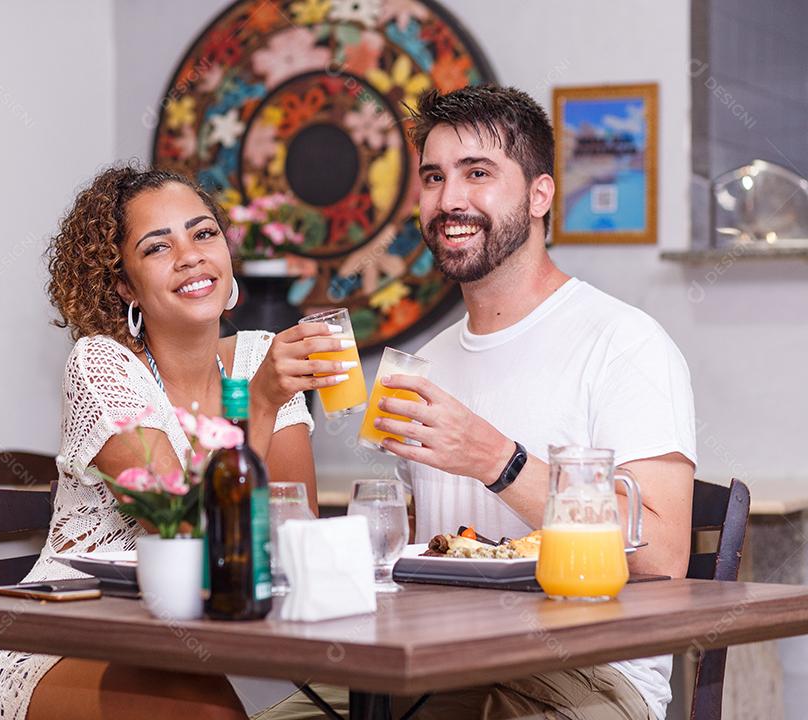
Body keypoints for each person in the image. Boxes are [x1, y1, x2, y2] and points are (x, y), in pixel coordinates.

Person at [257, 86, 695, 720]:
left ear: (540, 195)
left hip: (580, 675)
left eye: (478, 174)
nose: (449, 200)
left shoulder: (624, 343)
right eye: (434, 178)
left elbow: (660, 555)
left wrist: (497, 460)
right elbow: (417, 551)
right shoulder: (421, 365)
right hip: (431, 665)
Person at [0, 164, 353, 720]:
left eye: (203, 234)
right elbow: (182, 527)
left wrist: (266, 388)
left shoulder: (259, 354)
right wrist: (262, 400)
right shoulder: (103, 367)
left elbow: (294, 531)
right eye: (158, 247)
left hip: (222, 640)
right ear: (125, 284)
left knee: (362, 702)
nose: (191, 256)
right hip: (80, 638)